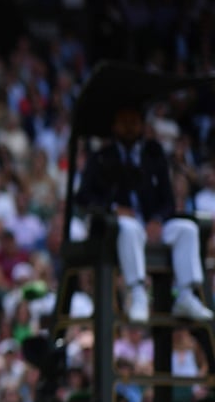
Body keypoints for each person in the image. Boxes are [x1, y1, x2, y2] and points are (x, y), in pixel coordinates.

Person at [74, 103, 213, 324]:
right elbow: (82, 197)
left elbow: (168, 201)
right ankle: (137, 294)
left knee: (187, 229)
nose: (129, 127)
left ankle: (186, 295)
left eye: (134, 121)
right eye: (124, 121)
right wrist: (112, 209)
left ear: (141, 125)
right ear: (114, 125)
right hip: (117, 227)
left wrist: (157, 220)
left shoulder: (153, 155)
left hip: (150, 224)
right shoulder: (101, 156)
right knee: (128, 228)